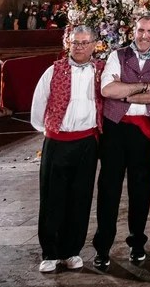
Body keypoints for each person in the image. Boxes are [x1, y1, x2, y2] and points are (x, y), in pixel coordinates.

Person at [93, 14, 150, 270]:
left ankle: (137, 243)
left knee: (140, 189)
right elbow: (107, 90)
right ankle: (103, 247)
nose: (145, 36)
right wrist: (142, 87)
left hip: (144, 133)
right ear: (133, 31)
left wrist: (125, 92)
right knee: (109, 189)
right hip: (115, 130)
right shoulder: (118, 55)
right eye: (141, 30)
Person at [30, 26, 104, 273]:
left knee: (80, 197)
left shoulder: (100, 71)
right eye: (75, 43)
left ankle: (72, 250)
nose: (79, 47)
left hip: (86, 143)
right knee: (53, 197)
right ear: (68, 44)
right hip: (58, 141)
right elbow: (39, 104)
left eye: (84, 42)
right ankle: (50, 252)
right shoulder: (54, 70)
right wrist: (49, 131)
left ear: (94, 44)